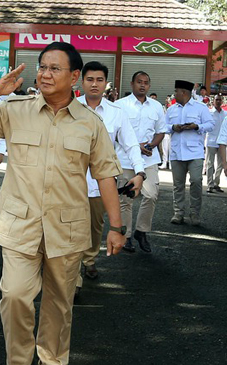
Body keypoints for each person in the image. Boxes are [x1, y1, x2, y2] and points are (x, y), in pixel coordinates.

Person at [0, 42, 125, 365]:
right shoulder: (14, 110)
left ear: (74, 76)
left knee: (59, 307)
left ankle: (52, 361)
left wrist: (115, 227)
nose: (45, 74)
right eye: (42, 67)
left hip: (67, 228)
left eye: (54, 68)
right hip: (20, 224)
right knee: (15, 294)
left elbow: (105, 176)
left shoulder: (91, 124)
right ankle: (18, 360)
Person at [75, 61, 144, 292]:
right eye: (90, 79)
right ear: (81, 81)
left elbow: (131, 144)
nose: (94, 84)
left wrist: (140, 171)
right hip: (68, 183)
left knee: (95, 227)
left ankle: (90, 260)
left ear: (106, 83)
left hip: (99, 185)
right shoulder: (69, 108)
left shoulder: (116, 114)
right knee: (70, 228)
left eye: (99, 80)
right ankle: (73, 275)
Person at [115, 71, 166, 252]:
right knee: (126, 200)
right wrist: (135, 146)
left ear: (149, 85)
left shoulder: (156, 106)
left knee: (151, 194)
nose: (142, 85)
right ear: (132, 84)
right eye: (139, 82)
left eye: (146, 82)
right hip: (126, 160)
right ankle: (126, 236)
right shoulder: (120, 105)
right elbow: (114, 133)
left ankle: (141, 231)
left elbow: (161, 131)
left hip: (148, 158)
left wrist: (152, 145)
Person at [167, 80, 214, 226]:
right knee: (178, 184)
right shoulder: (171, 109)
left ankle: (195, 213)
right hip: (176, 151)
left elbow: (210, 124)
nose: (174, 94)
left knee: (196, 181)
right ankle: (178, 213)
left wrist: (196, 126)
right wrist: (173, 127)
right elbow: (163, 126)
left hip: (195, 152)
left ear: (184, 93)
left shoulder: (200, 108)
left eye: (176, 91)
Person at [206, 94, 225, 193]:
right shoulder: (209, 113)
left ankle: (216, 183)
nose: (218, 101)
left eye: (219, 100)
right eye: (216, 100)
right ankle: (210, 184)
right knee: (210, 163)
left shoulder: (224, 114)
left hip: (221, 142)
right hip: (211, 141)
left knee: (221, 164)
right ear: (213, 101)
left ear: (222, 101)